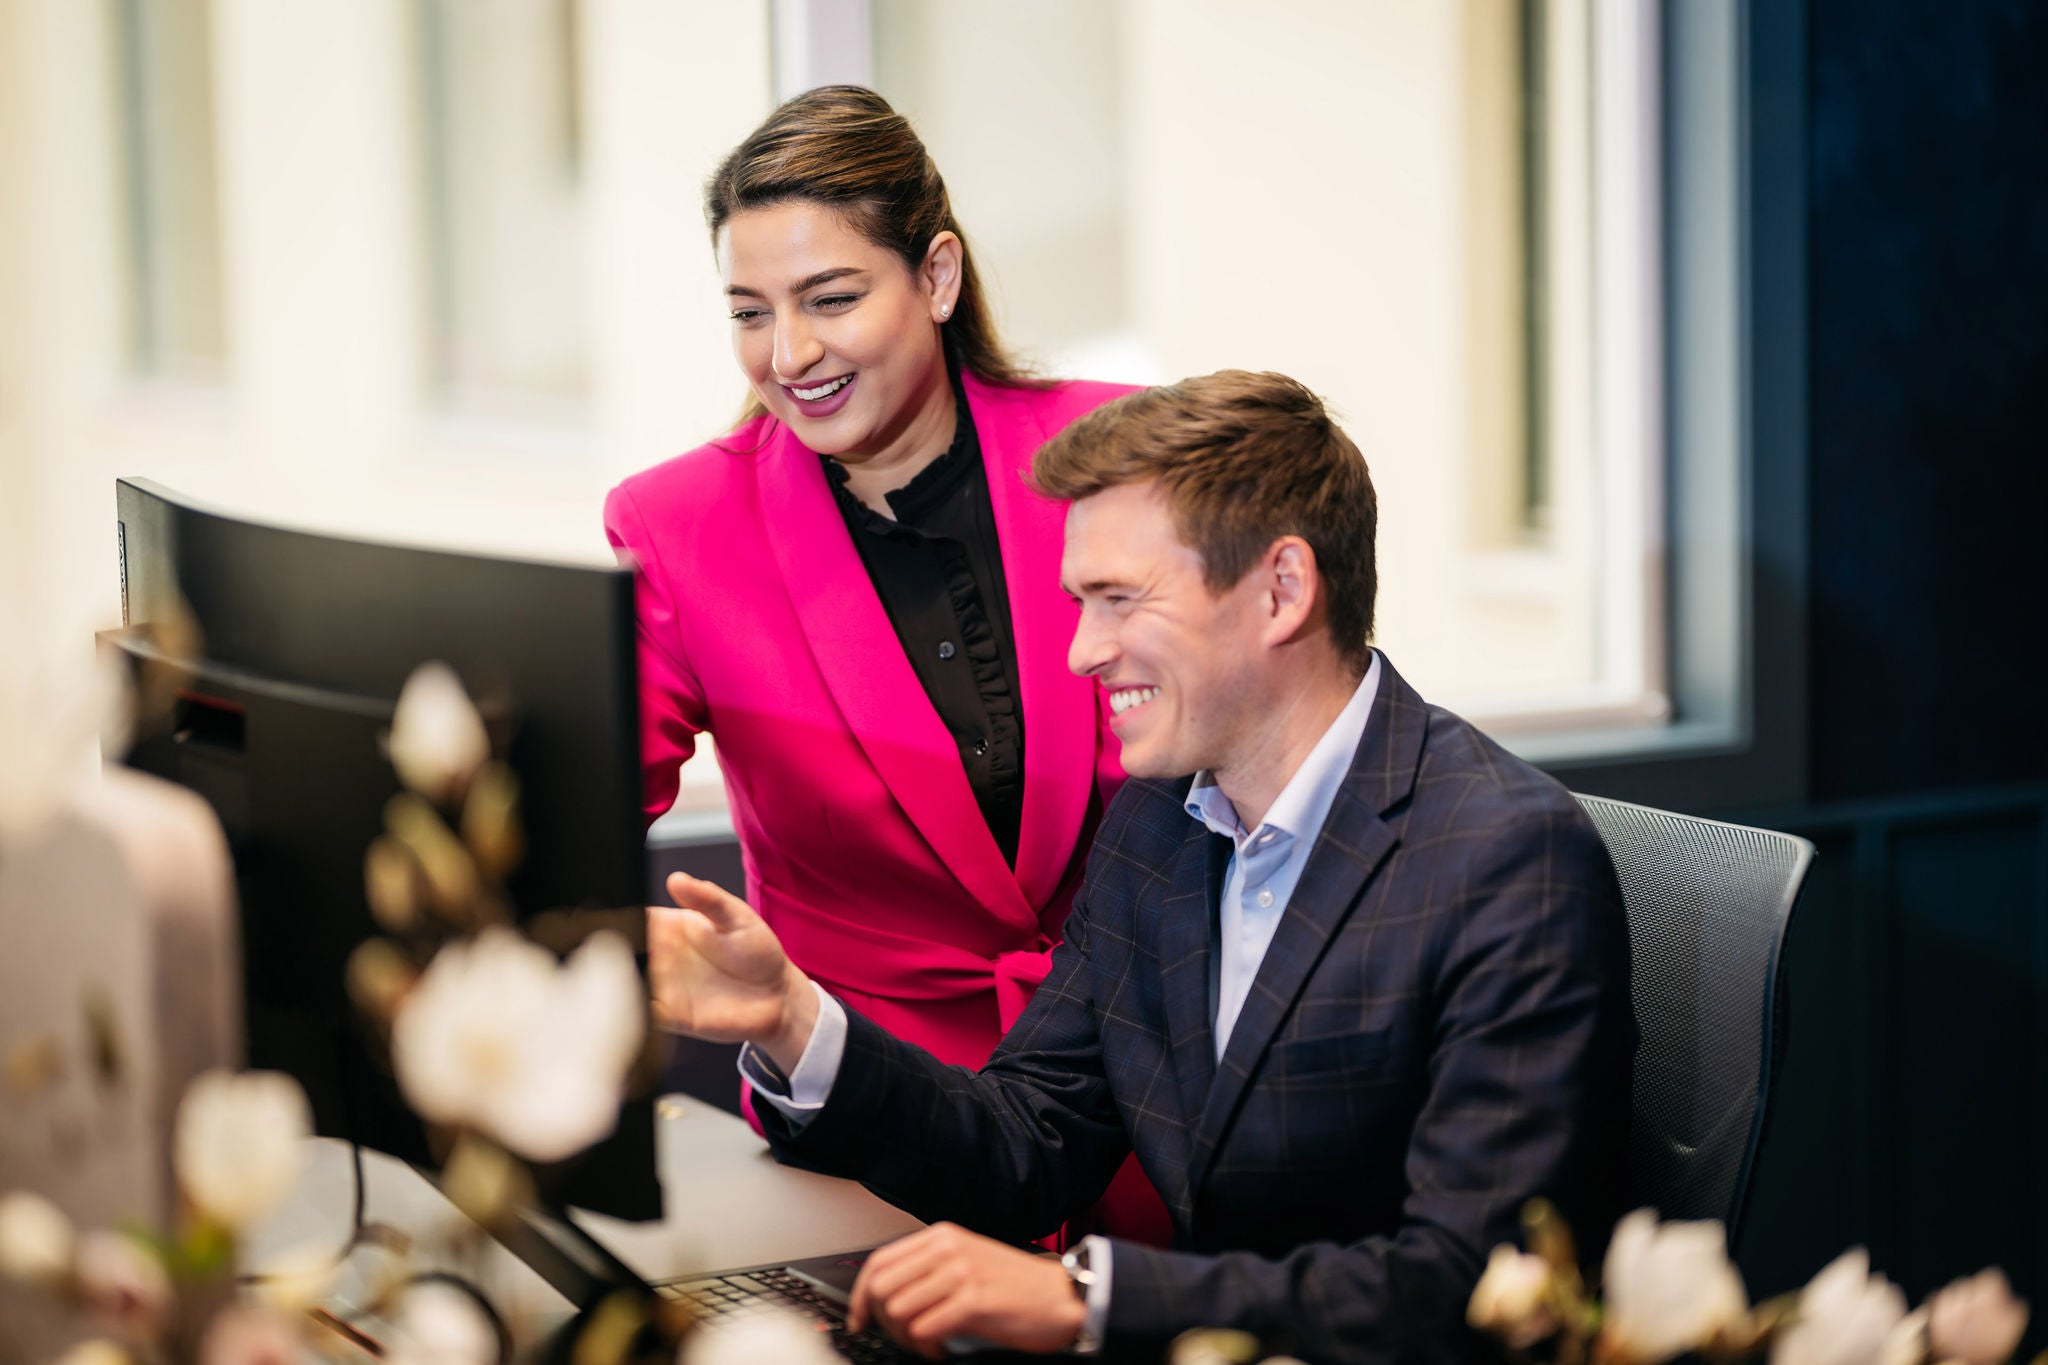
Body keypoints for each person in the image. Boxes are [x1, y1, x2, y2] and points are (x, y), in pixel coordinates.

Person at [648, 371, 1636, 1363]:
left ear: (1281, 591)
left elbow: (1471, 1283)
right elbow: (1029, 1140)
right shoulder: (1162, 822)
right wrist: (790, 1017)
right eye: (1080, 602)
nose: (1080, 651)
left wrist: (1091, 1298)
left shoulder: (1508, 858)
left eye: (1118, 600)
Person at [604, 86, 1166, 1241]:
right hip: (871, 1129)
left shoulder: (1123, 457)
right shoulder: (678, 526)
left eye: (830, 298)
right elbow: (582, 789)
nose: (789, 353)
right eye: (749, 313)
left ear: (938, 277)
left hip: (1154, 1092)